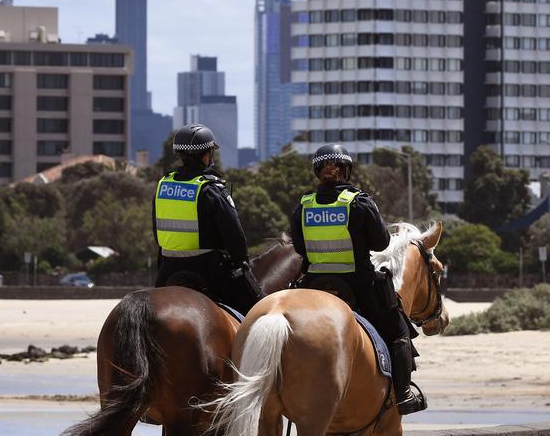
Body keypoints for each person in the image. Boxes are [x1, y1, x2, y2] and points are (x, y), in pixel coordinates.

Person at [289, 143, 427, 415]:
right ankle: (402, 395)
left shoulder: (303, 205)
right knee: (398, 331)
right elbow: (380, 243)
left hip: (314, 283)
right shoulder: (358, 202)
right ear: (346, 171)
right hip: (357, 285)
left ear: (319, 172)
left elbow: (299, 248)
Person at [153, 124, 263, 315]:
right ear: (206, 154)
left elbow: (156, 231)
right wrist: (240, 260)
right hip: (208, 271)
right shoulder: (210, 189)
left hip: (167, 270)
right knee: (259, 313)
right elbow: (233, 233)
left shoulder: (163, 185)